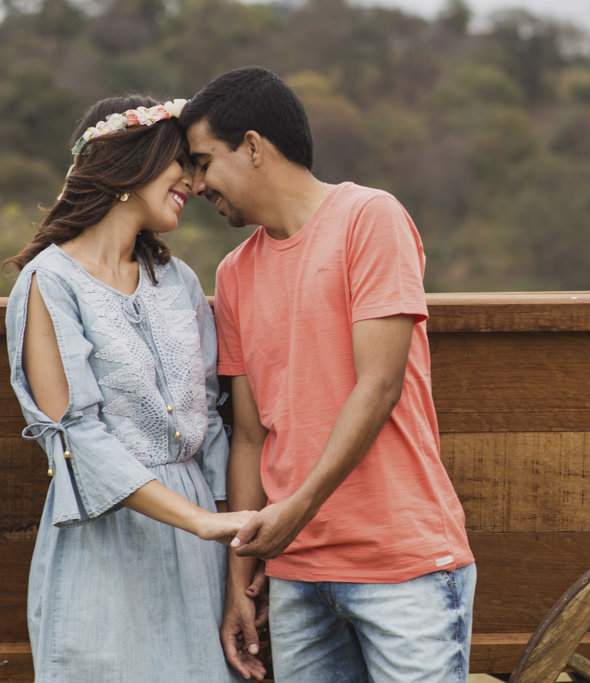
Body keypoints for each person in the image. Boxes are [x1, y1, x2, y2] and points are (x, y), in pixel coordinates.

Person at [181, 66, 476, 682]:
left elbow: (380, 384)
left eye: (204, 161)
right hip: (295, 578)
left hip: (402, 565)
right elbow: (251, 436)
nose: (195, 183)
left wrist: (297, 511)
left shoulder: (370, 218)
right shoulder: (234, 273)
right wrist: (241, 581)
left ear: (254, 146)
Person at [4, 95, 255, 682]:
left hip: (201, 554)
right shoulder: (49, 282)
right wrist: (201, 522)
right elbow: (78, 441)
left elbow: (214, 425)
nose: (193, 182)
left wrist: (231, 561)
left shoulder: (180, 281)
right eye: (180, 163)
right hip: (107, 543)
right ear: (132, 164)